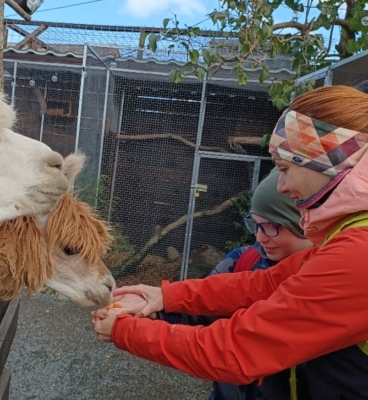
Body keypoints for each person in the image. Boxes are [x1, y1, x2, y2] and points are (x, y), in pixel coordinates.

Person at [92, 85, 368, 400]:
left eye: (284, 169)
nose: (281, 186)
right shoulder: (351, 238)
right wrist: (164, 295)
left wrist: (124, 330)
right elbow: (267, 284)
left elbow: (238, 350)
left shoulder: (358, 252)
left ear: (325, 162)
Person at [159, 168, 313, 400]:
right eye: (256, 225)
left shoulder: (329, 282)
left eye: (272, 226)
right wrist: (145, 310)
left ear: (302, 224)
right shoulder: (243, 259)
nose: (260, 238)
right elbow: (197, 314)